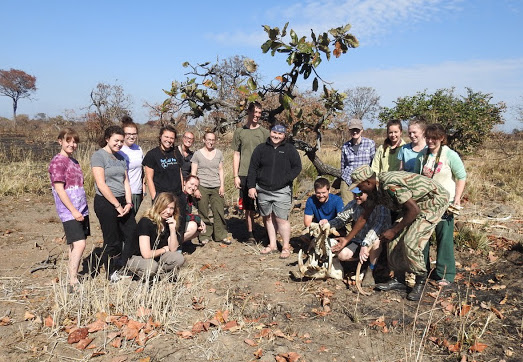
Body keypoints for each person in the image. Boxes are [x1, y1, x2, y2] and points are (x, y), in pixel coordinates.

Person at [343, 165, 449, 301]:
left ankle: (420, 282)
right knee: (393, 241)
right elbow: (364, 217)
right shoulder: (373, 192)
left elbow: (414, 210)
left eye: (360, 186)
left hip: (432, 201)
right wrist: (347, 240)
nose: (359, 190)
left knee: (411, 241)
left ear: (368, 182)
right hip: (413, 204)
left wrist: (394, 230)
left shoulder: (389, 185)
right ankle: (399, 280)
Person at [414, 123, 466, 286]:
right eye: (428, 137)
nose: (430, 141)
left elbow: (461, 176)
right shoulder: (422, 156)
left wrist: (457, 198)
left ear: (441, 139)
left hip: (445, 203)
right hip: (426, 203)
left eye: (434, 138)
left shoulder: (450, 155)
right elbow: (415, 178)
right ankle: (422, 270)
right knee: (423, 237)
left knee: (444, 238)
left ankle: (446, 273)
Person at [247, 123, 302, 259]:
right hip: (263, 189)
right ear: (270, 132)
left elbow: (297, 167)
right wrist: (251, 186)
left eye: (280, 134)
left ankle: (285, 247)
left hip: (282, 190)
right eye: (274, 132)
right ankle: (272, 245)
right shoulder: (261, 149)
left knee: (281, 219)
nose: (276, 136)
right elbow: (252, 168)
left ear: (284, 135)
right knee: (268, 217)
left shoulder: (290, 149)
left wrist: (285, 179)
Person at [91, 126, 138, 280]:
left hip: (123, 201)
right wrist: (116, 205)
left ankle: (123, 265)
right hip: (106, 202)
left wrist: (129, 203)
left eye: (121, 141)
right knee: (112, 239)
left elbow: (126, 181)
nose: (119, 144)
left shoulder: (122, 157)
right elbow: (101, 184)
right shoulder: (99, 156)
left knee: (132, 233)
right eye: (116, 140)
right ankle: (110, 272)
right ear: (107, 139)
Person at [48, 128, 89, 288]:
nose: (72, 144)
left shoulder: (74, 162)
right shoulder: (57, 162)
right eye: (68, 141)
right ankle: (73, 280)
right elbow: (59, 189)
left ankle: (73, 274)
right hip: (69, 211)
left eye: (75, 142)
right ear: (60, 141)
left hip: (81, 208)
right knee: (80, 244)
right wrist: (73, 210)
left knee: (74, 244)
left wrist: (80, 210)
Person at [326, 187, 391, 286]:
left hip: (378, 242)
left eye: (360, 194)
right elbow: (341, 219)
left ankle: (371, 269)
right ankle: (362, 265)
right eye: (354, 194)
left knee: (376, 241)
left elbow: (377, 228)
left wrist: (365, 244)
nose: (357, 197)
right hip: (360, 240)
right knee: (342, 255)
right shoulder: (353, 205)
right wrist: (327, 225)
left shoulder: (381, 207)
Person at [232, 101, 270, 242]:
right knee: (248, 207)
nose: (257, 115)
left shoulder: (265, 133)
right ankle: (250, 234)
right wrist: (236, 176)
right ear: (248, 112)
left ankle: (268, 234)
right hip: (245, 174)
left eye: (259, 113)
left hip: (261, 174)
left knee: (265, 205)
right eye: (254, 112)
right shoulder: (240, 132)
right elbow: (236, 154)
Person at [126, 192, 184, 280]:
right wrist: (164, 249)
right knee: (152, 266)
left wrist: (172, 230)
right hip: (137, 258)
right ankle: (139, 274)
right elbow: (146, 254)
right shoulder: (146, 222)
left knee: (178, 258)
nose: (168, 211)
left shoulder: (168, 222)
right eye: (165, 207)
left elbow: (173, 249)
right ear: (158, 206)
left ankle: (157, 273)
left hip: (156, 257)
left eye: (171, 208)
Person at [191, 131, 231, 245]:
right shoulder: (197, 154)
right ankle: (205, 234)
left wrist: (222, 185)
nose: (210, 142)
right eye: (208, 139)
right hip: (202, 185)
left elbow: (220, 170)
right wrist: (196, 189)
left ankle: (220, 234)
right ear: (204, 140)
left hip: (216, 186)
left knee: (219, 211)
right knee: (203, 211)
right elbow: (193, 172)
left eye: (213, 140)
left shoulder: (218, 153)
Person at [143, 125, 184, 200]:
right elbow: (149, 178)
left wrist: (182, 191)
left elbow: (180, 172)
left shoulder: (176, 152)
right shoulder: (152, 154)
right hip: (162, 197)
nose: (169, 140)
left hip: (177, 195)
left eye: (172, 138)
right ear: (160, 137)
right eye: (166, 137)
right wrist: (154, 197)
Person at [340, 118, 375, 204]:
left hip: (363, 181)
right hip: (348, 180)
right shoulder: (345, 146)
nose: (355, 132)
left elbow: (373, 163)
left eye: (357, 129)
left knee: (362, 205)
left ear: (361, 130)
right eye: (352, 130)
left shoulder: (370, 144)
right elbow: (343, 165)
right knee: (347, 206)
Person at [118, 116, 144, 215]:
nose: (131, 137)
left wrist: (143, 189)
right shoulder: (119, 150)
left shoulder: (138, 149)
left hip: (137, 192)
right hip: (124, 192)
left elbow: (142, 170)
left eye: (134, 134)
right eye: (128, 134)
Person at [179, 175, 206, 243]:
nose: (193, 187)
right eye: (191, 184)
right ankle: (172, 244)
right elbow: (181, 216)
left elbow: (188, 214)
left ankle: (178, 244)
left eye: (196, 186)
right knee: (193, 226)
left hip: (180, 223)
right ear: (184, 182)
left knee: (197, 229)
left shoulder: (189, 197)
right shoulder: (179, 195)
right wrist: (198, 219)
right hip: (172, 224)